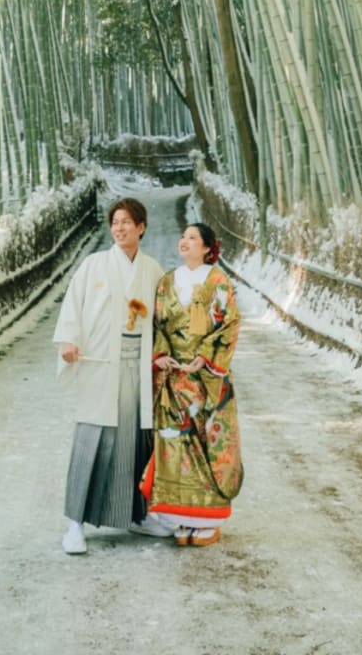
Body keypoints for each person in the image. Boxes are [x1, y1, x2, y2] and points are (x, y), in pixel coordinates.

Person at [52, 197, 172, 554]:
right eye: (114, 222)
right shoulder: (94, 265)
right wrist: (69, 340)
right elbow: (73, 303)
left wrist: (167, 354)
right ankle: (75, 524)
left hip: (139, 366)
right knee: (94, 438)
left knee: (137, 440)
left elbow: (166, 318)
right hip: (101, 362)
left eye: (126, 222)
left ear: (141, 227)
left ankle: (138, 515)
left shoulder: (152, 270)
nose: (119, 228)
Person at [140, 222, 243, 546]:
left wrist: (204, 358)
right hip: (173, 379)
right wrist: (162, 355)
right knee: (174, 445)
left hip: (206, 379)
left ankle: (208, 520)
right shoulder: (167, 282)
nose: (184, 241)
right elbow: (157, 326)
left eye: (193, 238)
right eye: (183, 237)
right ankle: (180, 518)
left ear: (208, 248)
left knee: (206, 446)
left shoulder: (218, 282)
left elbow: (229, 325)